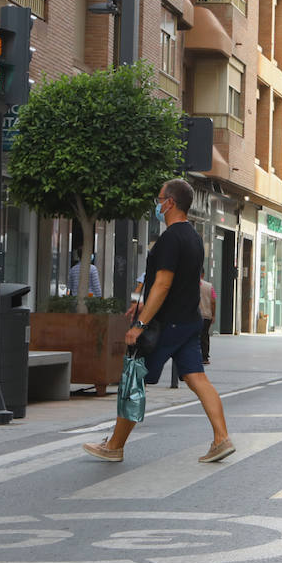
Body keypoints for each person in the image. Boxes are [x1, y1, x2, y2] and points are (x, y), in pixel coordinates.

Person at [83, 178, 234, 464]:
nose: (157, 203)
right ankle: (221, 438)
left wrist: (140, 324)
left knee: (133, 379)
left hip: (167, 324)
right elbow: (173, 283)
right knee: (197, 378)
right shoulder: (192, 236)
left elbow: (163, 285)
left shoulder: (170, 238)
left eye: (159, 198)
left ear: (170, 202)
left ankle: (114, 445)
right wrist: (139, 305)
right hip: (189, 321)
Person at [198, 278, 217, 365]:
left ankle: (195, 356)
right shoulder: (209, 286)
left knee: (194, 336)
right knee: (205, 336)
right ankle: (205, 357)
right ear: (203, 274)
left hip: (195, 315)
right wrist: (213, 315)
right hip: (206, 315)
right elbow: (213, 301)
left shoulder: (191, 284)